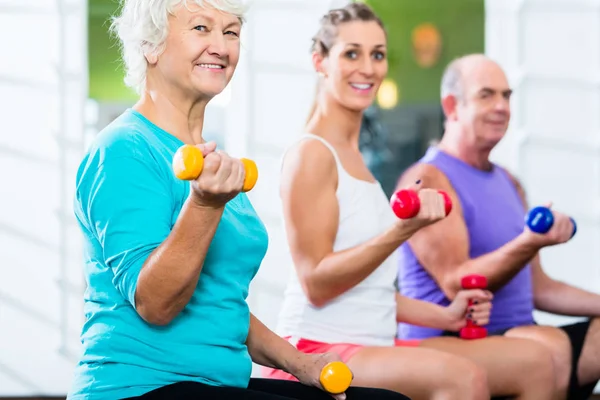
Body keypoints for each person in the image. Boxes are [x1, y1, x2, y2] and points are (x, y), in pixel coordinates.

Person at [66, 1, 410, 399]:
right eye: (201, 28)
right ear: (151, 45)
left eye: (231, 32)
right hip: (142, 386)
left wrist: (301, 363)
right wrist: (204, 205)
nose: (221, 46)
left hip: (216, 380)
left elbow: (220, 306)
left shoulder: (209, 161)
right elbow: (155, 304)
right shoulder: (124, 150)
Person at [263, 3, 559, 400]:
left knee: (535, 363)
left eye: (378, 54)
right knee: (462, 377)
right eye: (352, 53)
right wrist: (404, 230)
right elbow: (317, 283)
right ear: (320, 61)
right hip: (316, 348)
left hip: (374, 342)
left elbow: (369, 289)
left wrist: (446, 315)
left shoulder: (355, 158)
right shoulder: (312, 153)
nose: (368, 67)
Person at [395, 53, 600, 400]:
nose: (501, 106)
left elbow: (539, 288)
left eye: (506, 95)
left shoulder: (509, 181)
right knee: (545, 347)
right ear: (452, 106)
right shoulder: (427, 180)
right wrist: (529, 242)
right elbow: (455, 281)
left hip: (516, 336)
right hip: (452, 343)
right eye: (486, 95)